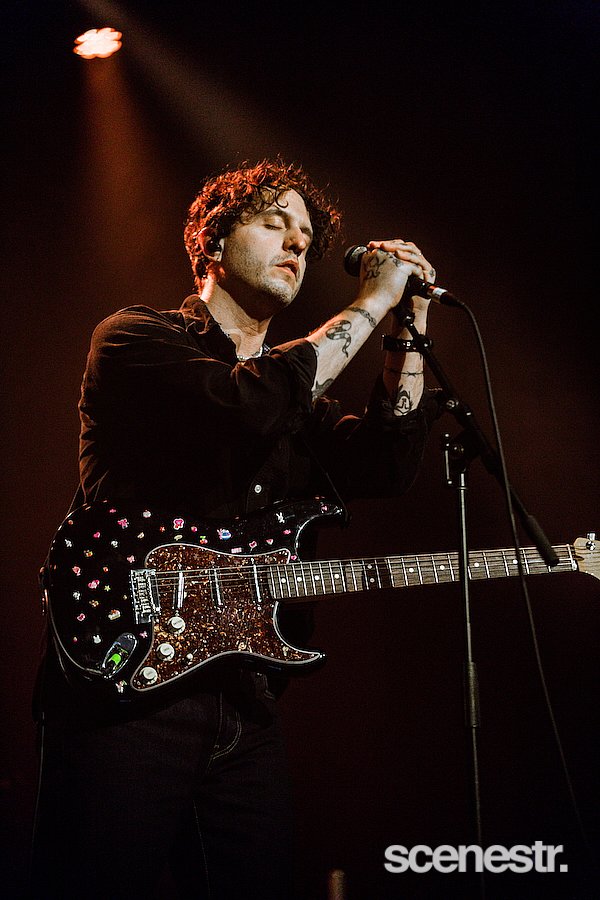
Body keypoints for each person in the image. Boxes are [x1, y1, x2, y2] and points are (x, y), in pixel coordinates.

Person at [30, 158, 442, 899]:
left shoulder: (300, 410)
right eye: (275, 223)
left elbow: (386, 465)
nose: (297, 243)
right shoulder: (135, 338)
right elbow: (248, 405)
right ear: (213, 244)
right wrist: (372, 299)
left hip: (247, 703)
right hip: (127, 691)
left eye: (306, 235)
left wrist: (405, 330)